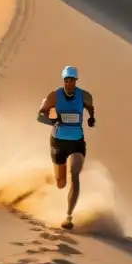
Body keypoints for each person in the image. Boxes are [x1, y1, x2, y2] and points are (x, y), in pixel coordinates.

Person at [36, 66, 95, 229]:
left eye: (72, 80)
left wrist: (91, 119)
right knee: (61, 183)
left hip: (76, 142)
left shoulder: (84, 96)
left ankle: (68, 216)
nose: (69, 83)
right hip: (58, 142)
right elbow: (40, 116)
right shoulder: (54, 96)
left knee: (75, 174)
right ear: (63, 81)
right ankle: (47, 179)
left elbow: (91, 109)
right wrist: (53, 120)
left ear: (76, 81)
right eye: (66, 80)